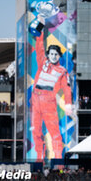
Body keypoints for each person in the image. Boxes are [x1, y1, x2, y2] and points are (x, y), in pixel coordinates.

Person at [31, 26, 74, 161]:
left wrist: (68, 104)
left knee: (54, 133)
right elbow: (39, 46)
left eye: (56, 54)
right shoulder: (43, 62)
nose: (53, 56)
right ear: (48, 55)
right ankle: (39, 158)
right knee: (36, 131)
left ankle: (59, 161)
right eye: (51, 54)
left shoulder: (62, 71)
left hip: (48, 101)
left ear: (59, 56)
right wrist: (41, 27)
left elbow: (67, 89)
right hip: (36, 99)